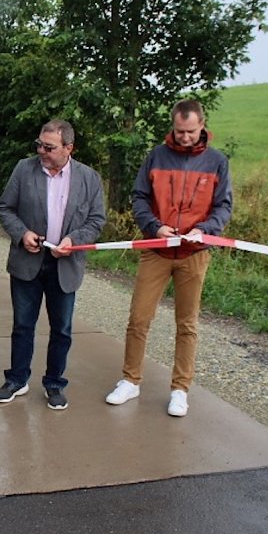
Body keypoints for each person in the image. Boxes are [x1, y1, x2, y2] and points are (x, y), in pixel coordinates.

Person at [105, 99, 232, 417]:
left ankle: (180, 389)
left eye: (190, 131)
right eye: (179, 131)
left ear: (202, 124)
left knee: (187, 324)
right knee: (139, 319)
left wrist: (205, 230)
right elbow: (139, 197)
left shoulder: (217, 162)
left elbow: (223, 206)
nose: (185, 137)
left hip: (195, 253)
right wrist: (154, 226)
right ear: (172, 126)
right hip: (157, 250)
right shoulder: (156, 156)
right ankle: (130, 381)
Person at [0, 119, 106, 410]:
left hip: (65, 266)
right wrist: (22, 234)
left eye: (49, 147)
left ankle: (54, 383)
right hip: (27, 262)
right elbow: (5, 208)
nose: (42, 151)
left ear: (69, 148)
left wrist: (74, 239)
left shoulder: (89, 178)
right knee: (22, 326)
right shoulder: (23, 168)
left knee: (62, 330)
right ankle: (16, 379)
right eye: (39, 145)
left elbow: (96, 221)